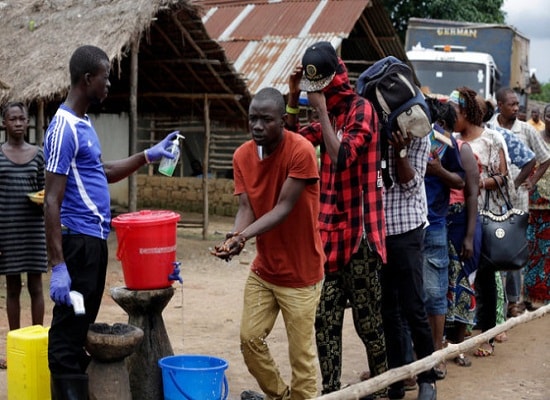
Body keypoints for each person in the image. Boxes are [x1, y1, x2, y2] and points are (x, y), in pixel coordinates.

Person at [43, 45, 179, 398]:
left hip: (93, 245)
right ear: (88, 79)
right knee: (65, 342)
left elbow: (101, 172)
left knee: (79, 327)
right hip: (77, 247)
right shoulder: (62, 128)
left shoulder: (84, 123)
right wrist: (58, 265)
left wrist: (147, 155)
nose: (108, 84)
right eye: (105, 77)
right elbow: (52, 200)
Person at [286, 41, 388, 398]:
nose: (318, 95)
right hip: (328, 235)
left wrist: (322, 114)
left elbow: (342, 156)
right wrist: (291, 97)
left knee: (368, 324)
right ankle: (331, 393)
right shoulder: (325, 112)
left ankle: (381, 388)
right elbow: (293, 140)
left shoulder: (362, 111)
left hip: (360, 236)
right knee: (324, 321)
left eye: (321, 88)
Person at [211, 87, 325, 400]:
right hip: (265, 271)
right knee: (249, 340)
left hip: (301, 275)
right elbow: (246, 208)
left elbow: (283, 208)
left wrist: (243, 237)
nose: (258, 126)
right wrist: (235, 239)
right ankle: (281, 396)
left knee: (301, 357)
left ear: (282, 121)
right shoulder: (242, 156)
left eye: (266, 119)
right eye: (253, 119)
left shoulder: (300, 151)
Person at [449, 87, 509, 358]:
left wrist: (476, 182)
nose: (452, 117)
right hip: (458, 217)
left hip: (486, 215)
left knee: (485, 279)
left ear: (466, 112)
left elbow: (503, 177)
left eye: (455, 113)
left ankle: (487, 336)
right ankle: (456, 335)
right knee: (459, 278)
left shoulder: (491, 138)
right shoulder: (450, 138)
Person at [488, 88, 550, 319]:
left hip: (519, 202)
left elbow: (544, 158)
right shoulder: (489, 128)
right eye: (512, 104)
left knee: (514, 252)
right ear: (500, 105)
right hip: (492, 202)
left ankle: (513, 303)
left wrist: (530, 181)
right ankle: (495, 303)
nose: (516, 108)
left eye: (517, 104)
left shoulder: (525, 130)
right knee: (494, 251)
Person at [0, 102, 48, 369]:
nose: (18, 123)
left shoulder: (38, 155)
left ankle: (37, 344)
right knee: (13, 288)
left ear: (28, 122)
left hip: (33, 228)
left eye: (22, 119)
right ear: (4, 123)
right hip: (7, 229)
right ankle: (16, 347)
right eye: (12, 119)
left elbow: (45, 190)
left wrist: (42, 200)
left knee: (36, 286)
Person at [422, 97, 467, 380]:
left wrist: (438, 170)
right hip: (404, 228)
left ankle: (436, 355)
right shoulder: (398, 138)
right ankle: (410, 360)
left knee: (435, 293)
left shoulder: (445, 143)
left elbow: (462, 181)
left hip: (435, 225)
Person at [524, 104, 550, 307]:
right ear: (544, 117)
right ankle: (530, 296)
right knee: (533, 250)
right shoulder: (535, 138)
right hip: (534, 204)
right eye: (549, 116)